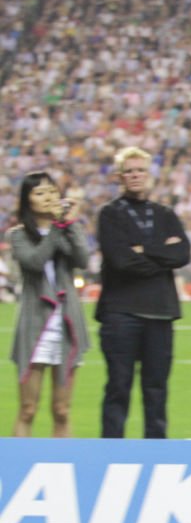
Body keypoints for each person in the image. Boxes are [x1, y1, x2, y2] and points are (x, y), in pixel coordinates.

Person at [96, 147, 191, 438]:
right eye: (129, 171)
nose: (135, 176)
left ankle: (156, 452)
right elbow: (120, 259)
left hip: (160, 311)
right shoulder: (110, 214)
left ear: (150, 175)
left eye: (140, 170)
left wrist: (143, 250)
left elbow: (182, 254)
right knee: (118, 386)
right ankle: (111, 451)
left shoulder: (165, 214)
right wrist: (161, 254)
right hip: (120, 312)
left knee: (157, 389)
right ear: (119, 177)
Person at [7, 171, 90, 437]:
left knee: (62, 409)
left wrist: (70, 224)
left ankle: (62, 471)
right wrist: (56, 229)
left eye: (52, 191)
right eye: (40, 193)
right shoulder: (18, 235)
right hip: (34, 326)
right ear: (27, 200)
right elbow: (34, 261)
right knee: (28, 408)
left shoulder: (66, 228)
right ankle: (15, 471)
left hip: (66, 324)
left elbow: (83, 259)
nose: (48, 197)